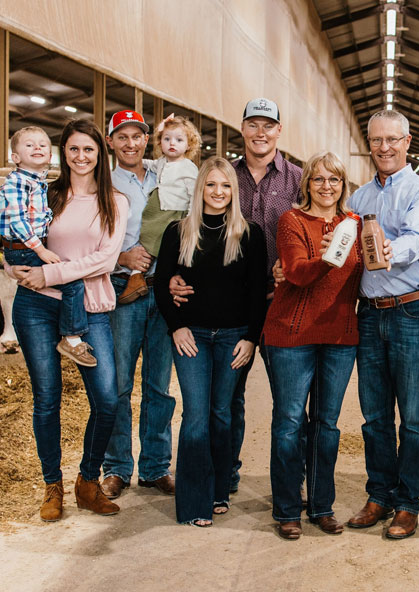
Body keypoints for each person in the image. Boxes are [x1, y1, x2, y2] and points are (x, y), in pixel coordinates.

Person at [170, 98, 301, 494]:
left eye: (269, 125)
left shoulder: (296, 179)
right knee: (232, 400)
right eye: (253, 125)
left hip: (284, 301)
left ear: (280, 131)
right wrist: (174, 274)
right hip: (235, 308)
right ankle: (226, 476)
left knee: (291, 402)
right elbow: (190, 229)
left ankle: (293, 482)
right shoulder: (224, 175)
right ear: (241, 129)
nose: (261, 133)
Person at [10, 119, 128, 521]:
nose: (80, 157)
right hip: (36, 306)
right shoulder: (46, 192)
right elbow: (11, 230)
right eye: (73, 149)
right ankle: (52, 486)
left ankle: (87, 480)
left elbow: (106, 260)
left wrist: (50, 273)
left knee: (107, 399)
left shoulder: (115, 200)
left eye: (88, 149)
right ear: (64, 153)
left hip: (89, 308)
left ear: (101, 153)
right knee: (47, 398)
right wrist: (11, 265)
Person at [263, 151, 373, 540]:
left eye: (335, 180)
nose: (327, 186)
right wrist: (330, 257)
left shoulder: (356, 224)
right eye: (319, 179)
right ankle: (288, 508)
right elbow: (294, 271)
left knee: (326, 425)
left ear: (344, 186)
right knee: (290, 423)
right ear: (306, 183)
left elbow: (367, 270)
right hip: (292, 335)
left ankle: (321, 506)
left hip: (340, 336)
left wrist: (384, 256)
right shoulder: (291, 220)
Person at [346, 109, 419, 540]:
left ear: (407, 143)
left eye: (392, 140)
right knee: (374, 415)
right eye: (377, 140)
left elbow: (417, 240)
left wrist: (386, 250)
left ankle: (408, 503)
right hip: (369, 312)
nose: (384, 148)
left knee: (415, 417)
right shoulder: (358, 198)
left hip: (413, 311)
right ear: (369, 143)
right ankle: (379, 493)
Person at [155, 157, 267, 526]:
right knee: (196, 416)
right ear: (200, 188)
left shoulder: (249, 233)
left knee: (222, 414)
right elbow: (161, 283)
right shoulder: (179, 231)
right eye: (211, 185)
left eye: (225, 186)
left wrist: (251, 338)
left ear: (234, 191)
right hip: (193, 337)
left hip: (234, 337)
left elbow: (256, 292)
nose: (218, 193)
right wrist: (177, 327)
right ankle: (193, 502)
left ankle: (220, 488)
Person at [101, 110, 176, 499]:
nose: (131, 143)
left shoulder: (167, 172)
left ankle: (155, 466)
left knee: (159, 385)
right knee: (118, 383)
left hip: (163, 289)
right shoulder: (103, 182)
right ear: (111, 141)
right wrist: (121, 259)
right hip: (123, 290)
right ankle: (116, 467)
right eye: (122, 136)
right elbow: (91, 239)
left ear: (146, 139)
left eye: (137, 136)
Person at [1, 126, 96, 366]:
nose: (38, 148)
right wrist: (40, 250)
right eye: (29, 145)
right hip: (26, 248)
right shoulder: (17, 183)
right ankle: (72, 337)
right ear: (15, 157)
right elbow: (18, 221)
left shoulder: (39, 183)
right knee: (73, 285)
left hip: (25, 248)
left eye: (43, 145)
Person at [119, 114, 201, 304]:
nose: (172, 143)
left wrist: (189, 220)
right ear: (160, 143)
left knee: (157, 241)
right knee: (146, 234)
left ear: (188, 145)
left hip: (173, 211)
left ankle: (138, 276)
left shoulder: (188, 168)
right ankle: (137, 276)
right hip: (158, 208)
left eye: (179, 140)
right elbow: (148, 164)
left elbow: (194, 196)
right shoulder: (162, 162)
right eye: (167, 139)